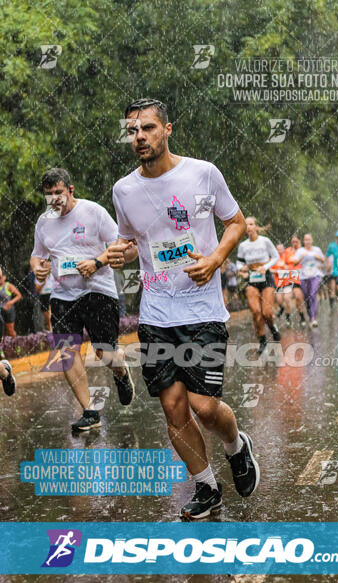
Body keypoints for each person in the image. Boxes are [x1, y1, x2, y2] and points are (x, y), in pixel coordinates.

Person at [108, 98, 259, 520]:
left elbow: (237, 223)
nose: (140, 137)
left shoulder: (203, 173)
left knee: (205, 407)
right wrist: (117, 253)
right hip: (156, 314)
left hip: (203, 309)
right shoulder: (123, 190)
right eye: (133, 131)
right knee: (174, 409)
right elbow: (129, 239)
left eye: (149, 128)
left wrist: (215, 260)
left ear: (167, 129)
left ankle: (236, 446)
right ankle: (207, 487)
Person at [30, 168, 134, 431]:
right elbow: (37, 255)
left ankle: (120, 371)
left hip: (98, 289)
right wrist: (38, 267)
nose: (54, 198)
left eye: (59, 192)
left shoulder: (93, 212)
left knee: (104, 352)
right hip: (63, 294)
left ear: (70, 190)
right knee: (67, 352)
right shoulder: (44, 222)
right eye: (49, 194)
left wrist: (97, 262)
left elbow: (122, 245)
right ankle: (89, 411)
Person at [236, 216, 280, 354]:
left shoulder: (265, 241)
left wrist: (265, 267)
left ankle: (273, 328)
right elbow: (239, 262)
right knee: (255, 312)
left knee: (267, 312)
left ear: (255, 226)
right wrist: (242, 270)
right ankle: (262, 340)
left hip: (266, 277)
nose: (248, 227)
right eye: (246, 225)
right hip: (252, 279)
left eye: (251, 224)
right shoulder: (243, 246)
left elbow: (276, 256)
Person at [292, 233, 325, 327]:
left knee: (313, 294)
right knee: (307, 297)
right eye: (306, 240)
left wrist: (317, 257)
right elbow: (294, 263)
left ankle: (313, 318)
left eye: (309, 239)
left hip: (315, 275)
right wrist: (302, 256)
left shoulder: (317, 250)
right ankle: (310, 314)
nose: (307, 241)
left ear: (312, 240)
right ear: (303, 241)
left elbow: (323, 260)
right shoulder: (300, 251)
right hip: (304, 277)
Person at [282, 235, 306, 326]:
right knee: (286, 298)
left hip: (300, 277)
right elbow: (283, 263)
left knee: (299, 297)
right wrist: (285, 267)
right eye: (293, 242)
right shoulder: (287, 251)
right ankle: (288, 318)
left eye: (296, 241)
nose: (294, 243)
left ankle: (302, 316)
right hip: (289, 277)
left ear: (299, 242)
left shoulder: (303, 251)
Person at [0, 267, 22, 337]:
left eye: (1, 277)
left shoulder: (8, 286)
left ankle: (16, 346)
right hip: (0, 311)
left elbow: (19, 295)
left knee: (10, 331)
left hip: (8, 310)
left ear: (5, 277)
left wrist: (10, 302)